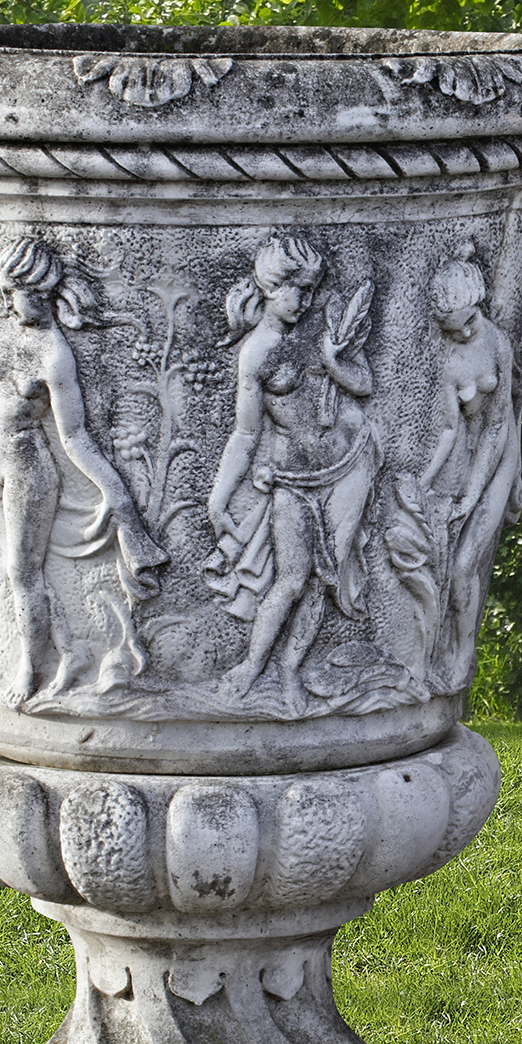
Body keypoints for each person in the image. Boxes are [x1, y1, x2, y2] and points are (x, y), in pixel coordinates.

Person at [0, 234, 166, 706]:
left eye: (34, 296)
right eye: (16, 296)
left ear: (50, 293)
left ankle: (30, 670)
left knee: (21, 573)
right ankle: (65, 654)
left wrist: (119, 500)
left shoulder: (55, 354)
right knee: (15, 574)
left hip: (28, 472)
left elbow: (75, 439)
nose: (23, 306)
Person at [206, 232, 376, 709]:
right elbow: (244, 435)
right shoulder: (256, 354)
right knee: (292, 578)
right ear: (269, 287)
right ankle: (252, 665)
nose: (305, 301)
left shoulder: (321, 329)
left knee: (325, 574)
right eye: (296, 290)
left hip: (347, 463)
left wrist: (332, 360)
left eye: (311, 289)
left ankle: (290, 671)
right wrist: (219, 497)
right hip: (293, 478)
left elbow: (363, 384)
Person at [389, 244, 522, 690]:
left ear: (479, 304)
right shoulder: (449, 361)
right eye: (453, 329)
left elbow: (500, 422)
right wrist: (425, 482)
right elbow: (450, 431)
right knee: (447, 564)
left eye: (470, 322)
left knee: (465, 566)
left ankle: (463, 655)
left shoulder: (498, 342)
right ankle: (434, 654)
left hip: (500, 453)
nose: (465, 333)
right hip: (468, 456)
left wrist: (476, 492)